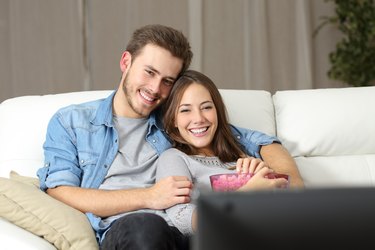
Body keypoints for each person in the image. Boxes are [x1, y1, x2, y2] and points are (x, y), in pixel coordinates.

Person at [37, 24, 303, 249]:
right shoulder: (72, 121)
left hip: (184, 231)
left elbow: (259, 141)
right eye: (149, 72)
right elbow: (59, 191)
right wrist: (149, 196)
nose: (155, 89)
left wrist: (293, 185)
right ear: (125, 62)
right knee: (147, 227)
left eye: (167, 81)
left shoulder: (175, 120)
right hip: (130, 230)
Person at [156, 70, 303, 235]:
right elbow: (183, 219)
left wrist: (265, 173)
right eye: (185, 110)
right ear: (173, 119)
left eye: (206, 107)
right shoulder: (173, 158)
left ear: (217, 111)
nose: (198, 118)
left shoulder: (243, 153)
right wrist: (246, 193)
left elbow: (290, 206)